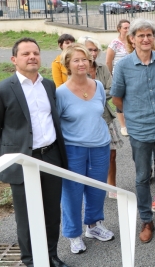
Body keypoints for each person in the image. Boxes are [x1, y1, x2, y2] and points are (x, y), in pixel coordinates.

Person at [0, 38, 69, 267]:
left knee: (52, 213)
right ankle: (31, 261)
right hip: (23, 160)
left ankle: (51, 256)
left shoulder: (49, 85)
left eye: (35, 53)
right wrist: (14, 152)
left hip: (51, 156)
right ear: (14, 59)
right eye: (25, 54)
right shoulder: (0, 90)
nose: (32, 57)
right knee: (27, 215)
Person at [111, 19, 155, 243]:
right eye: (140, 35)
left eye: (149, 35)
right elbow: (117, 98)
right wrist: (135, 115)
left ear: (154, 37)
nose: (145, 39)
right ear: (132, 39)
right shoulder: (123, 66)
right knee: (142, 177)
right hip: (139, 129)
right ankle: (146, 220)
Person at [56, 43, 114, 254]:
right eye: (76, 60)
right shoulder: (60, 93)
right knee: (72, 193)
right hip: (73, 149)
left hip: (100, 145)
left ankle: (94, 225)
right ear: (68, 64)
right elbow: (56, 123)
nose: (81, 63)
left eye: (84, 59)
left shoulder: (98, 86)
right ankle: (74, 234)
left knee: (97, 189)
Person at [77, 36, 124, 198]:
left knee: (111, 154)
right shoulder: (77, 69)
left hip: (106, 117)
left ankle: (112, 186)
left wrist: (91, 93)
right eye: (89, 49)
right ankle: (92, 188)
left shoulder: (103, 68)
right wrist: (98, 93)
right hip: (87, 121)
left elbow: (112, 89)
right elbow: (76, 93)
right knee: (90, 157)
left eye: (95, 50)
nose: (93, 53)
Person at [106, 19, 130, 136]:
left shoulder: (132, 41)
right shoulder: (114, 43)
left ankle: (130, 122)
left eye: (129, 28)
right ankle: (123, 126)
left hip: (131, 76)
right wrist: (111, 76)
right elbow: (108, 61)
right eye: (125, 28)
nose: (127, 30)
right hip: (118, 76)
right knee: (119, 99)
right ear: (119, 29)